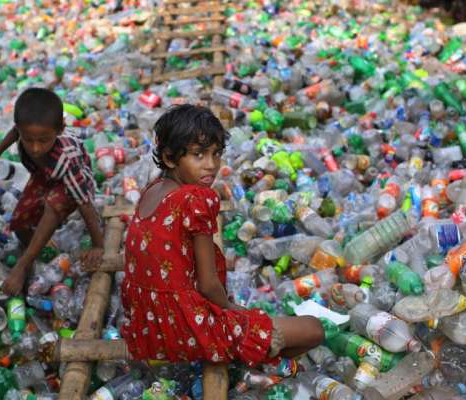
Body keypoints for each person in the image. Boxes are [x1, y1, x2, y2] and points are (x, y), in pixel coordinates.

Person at [120, 104, 327, 368]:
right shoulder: (196, 199)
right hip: (185, 328)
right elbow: (208, 286)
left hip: (148, 325)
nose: (211, 165)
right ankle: (249, 357)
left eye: (216, 154)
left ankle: (248, 351)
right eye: (198, 155)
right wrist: (237, 312)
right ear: (170, 158)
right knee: (313, 328)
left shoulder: (152, 190)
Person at [0, 88, 104, 295]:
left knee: (53, 205)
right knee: (19, 220)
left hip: (75, 181)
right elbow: (14, 132)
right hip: (45, 176)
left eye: (43, 140)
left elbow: (84, 202)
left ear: (60, 129)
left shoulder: (66, 158)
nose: (36, 148)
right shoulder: (29, 131)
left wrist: (98, 245)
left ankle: (24, 264)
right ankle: (42, 251)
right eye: (28, 140)